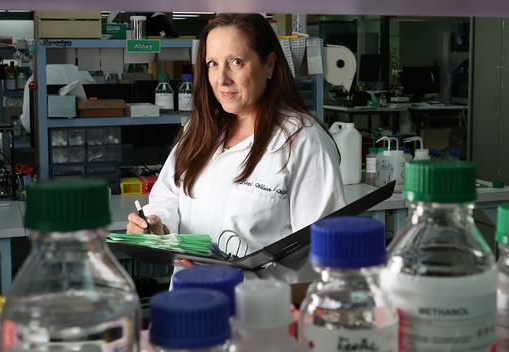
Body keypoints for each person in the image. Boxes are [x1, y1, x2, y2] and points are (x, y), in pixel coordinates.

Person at [127, 13, 346, 282]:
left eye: (236, 62)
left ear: (269, 65)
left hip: (258, 313)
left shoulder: (303, 141)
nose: (222, 79)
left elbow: (325, 257)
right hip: (191, 305)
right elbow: (167, 198)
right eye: (212, 64)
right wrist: (154, 226)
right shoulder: (199, 131)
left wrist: (241, 278)